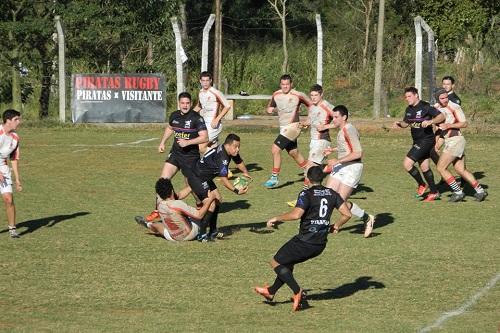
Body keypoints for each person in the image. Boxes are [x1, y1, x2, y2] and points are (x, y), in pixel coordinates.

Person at [254, 166, 351, 311]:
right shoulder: (332, 193)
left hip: (305, 241)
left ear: (308, 178)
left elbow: (296, 214)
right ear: (322, 178)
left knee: (276, 262)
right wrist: (335, 226)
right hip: (320, 244)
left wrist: (276, 218)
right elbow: (347, 214)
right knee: (288, 263)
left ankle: (297, 291)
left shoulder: (307, 193)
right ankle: (271, 291)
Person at [146, 92, 208, 222]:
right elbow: (170, 128)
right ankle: (158, 210)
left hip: (190, 158)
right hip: (175, 154)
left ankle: (199, 205)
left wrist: (188, 142)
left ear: (191, 104)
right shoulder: (174, 115)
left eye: (187, 103)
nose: (185, 105)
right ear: (178, 103)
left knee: (192, 186)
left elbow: (205, 137)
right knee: (163, 180)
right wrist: (162, 142)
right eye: (182, 103)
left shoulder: (197, 118)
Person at [323, 105, 376, 237]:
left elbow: (358, 153)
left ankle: (367, 218)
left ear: (344, 117)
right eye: (332, 117)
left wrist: (337, 161)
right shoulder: (343, 130)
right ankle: (324, 226)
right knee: (328, 196)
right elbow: (347, 146)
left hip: (352, 168)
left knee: (339, 201)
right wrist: (333, 150)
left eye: (336, 117)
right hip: (342, 166)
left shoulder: (349, 129)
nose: (333, 120)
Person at [186, 133, 251, 240]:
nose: (238, 149)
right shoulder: (223, 158)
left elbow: (238, 160)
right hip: (196, 177)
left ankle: (213, 231)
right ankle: (201, 234)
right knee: (211, 205)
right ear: (228, 145)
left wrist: (245, 172)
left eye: (239, 147)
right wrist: (236, 191)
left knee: (217, 200)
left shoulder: (228, 150)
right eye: (236, 147)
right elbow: (224, 180)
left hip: (204, 176)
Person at [433, 89, 487, 202]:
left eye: (446, 97)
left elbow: (464, 123)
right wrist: (437, 144)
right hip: (451, 140)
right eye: (442, 98)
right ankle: (480, 191)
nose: (445, 100)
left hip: (455, 140)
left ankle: (458, 192)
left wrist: (448, 125)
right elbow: (440, 131)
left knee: (440, 167)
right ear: (437, 98)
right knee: (460, 169)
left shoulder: (454, 107)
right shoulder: (437, 107)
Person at [392, 87, 445, 202]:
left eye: (409, 96)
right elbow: (406, 123)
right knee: (424, 167)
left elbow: (441, 116)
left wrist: (431, 121)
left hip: (426, 140)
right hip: (417, 141)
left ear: (416, 95)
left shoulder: (425, 106)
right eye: (406, 97)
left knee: (407, 164)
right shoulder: (409, 109)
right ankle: (434, 191)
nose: (407, 99)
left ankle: (422, 184)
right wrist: (399, 124)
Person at [263, 74, 312, 188]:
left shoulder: (298, 95)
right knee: (293, 152)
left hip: (294, 127)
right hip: (283, 128)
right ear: (280, 84)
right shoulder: (276, 94)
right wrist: (271, 109)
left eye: (287, 84)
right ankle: (308, 171)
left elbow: (311, 105)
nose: (285, 87)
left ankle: (274, 177)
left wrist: (308, 120)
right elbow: (270, 108)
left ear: (291, 84)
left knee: (275, 149)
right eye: (283, 84)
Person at [135, 178, 217, 241]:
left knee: (157, 225)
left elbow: (177, 195)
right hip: (190, 234)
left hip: (172, 237)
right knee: (206, 209)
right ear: (171, 191)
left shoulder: (159, 203)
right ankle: (206, 231)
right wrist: (210, 198)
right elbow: (199, 215)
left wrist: (191, 187)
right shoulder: (177, 204)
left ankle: (148, 224)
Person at [194, 71, 231, 154]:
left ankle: (223, 154)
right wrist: (188, 115)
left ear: (211, 81)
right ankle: (216, 164)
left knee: (201, 147)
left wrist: (217, 119)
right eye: (203, 80)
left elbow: (227, 106)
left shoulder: (215, 92)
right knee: (209, 146)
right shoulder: (201, 92)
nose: (205, 83)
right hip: (203, 123)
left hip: (213, 124)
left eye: (207, 80)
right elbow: (199, 106)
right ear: (200, 81)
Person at [431, 76, 462, 167]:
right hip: (441, 130)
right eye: (444, 84)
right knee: (457, 159)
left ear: (453, 85)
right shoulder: (442, 97)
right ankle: (446, 175)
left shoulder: (454, 99)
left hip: (450, 131)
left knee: (433, 151)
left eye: (448, 84)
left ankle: (445, 175)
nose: (445, 86)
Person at [0, 109, 22, 238]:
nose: (19, 122)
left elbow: (13, 159)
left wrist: (17, 179)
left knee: (8, 199)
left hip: (3, 168)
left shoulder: (15, 138)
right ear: (8, 121)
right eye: (16, 120)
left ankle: (12, 229)